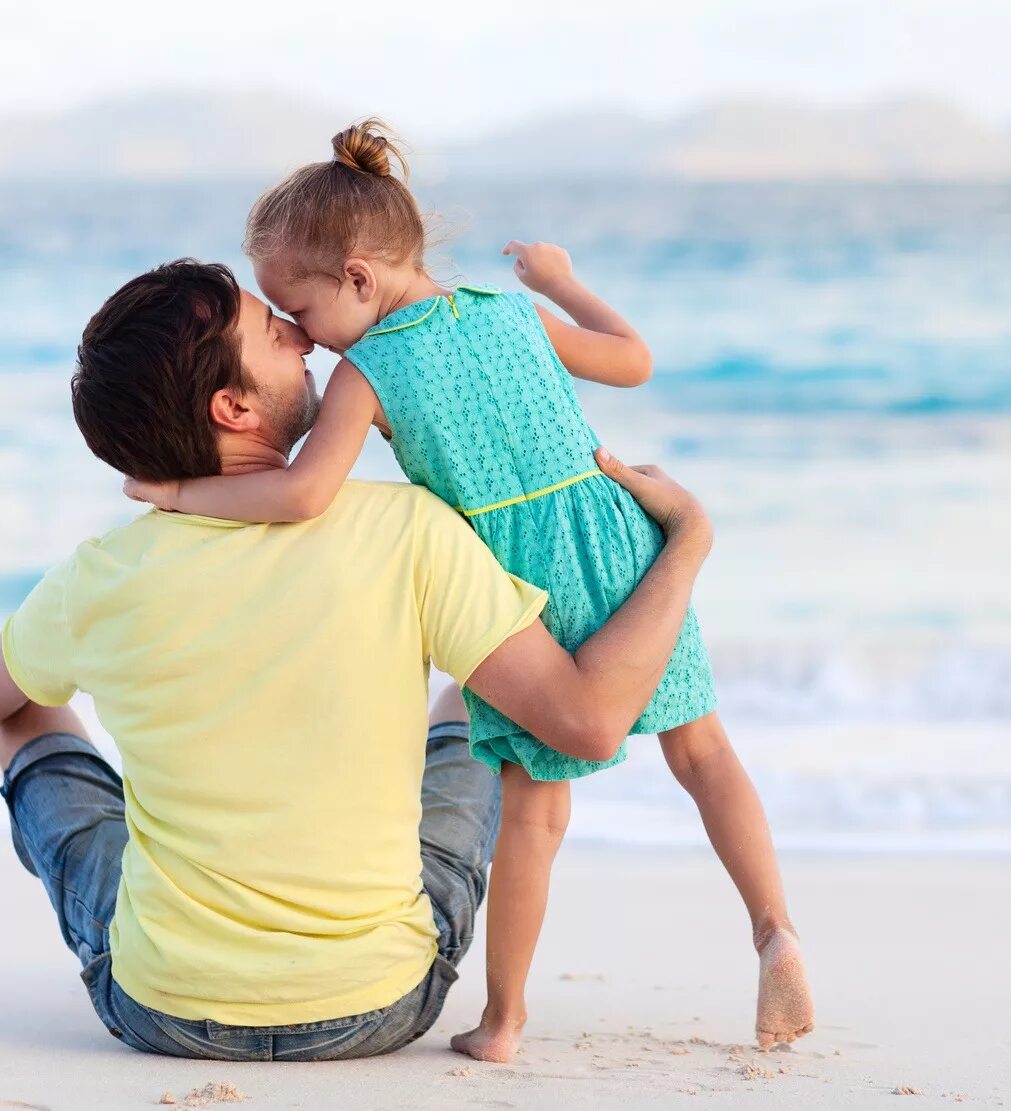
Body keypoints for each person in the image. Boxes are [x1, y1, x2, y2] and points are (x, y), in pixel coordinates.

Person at [122, 119, 814, 1062]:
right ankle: (773, 926)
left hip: (515, 584)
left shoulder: (370, 367)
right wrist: (560, 280)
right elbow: (634, 358)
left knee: (533, 810)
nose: (310, 345)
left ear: (359, 279)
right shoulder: (511, 312)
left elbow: (302, 492)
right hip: (620, 533)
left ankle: (505, 1020)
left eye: (305, 314)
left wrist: (178, 490)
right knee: (703, 752)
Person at [0, 258, 716, 1060]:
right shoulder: (407, 529)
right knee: (474, 692)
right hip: (383, 1002)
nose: (301, 334)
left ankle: (187, 930)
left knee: (24, 715)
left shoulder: (98, 576)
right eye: (271, 332)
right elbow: (592, 725)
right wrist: (687, 540)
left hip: (168, 1011)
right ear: (233, 405)